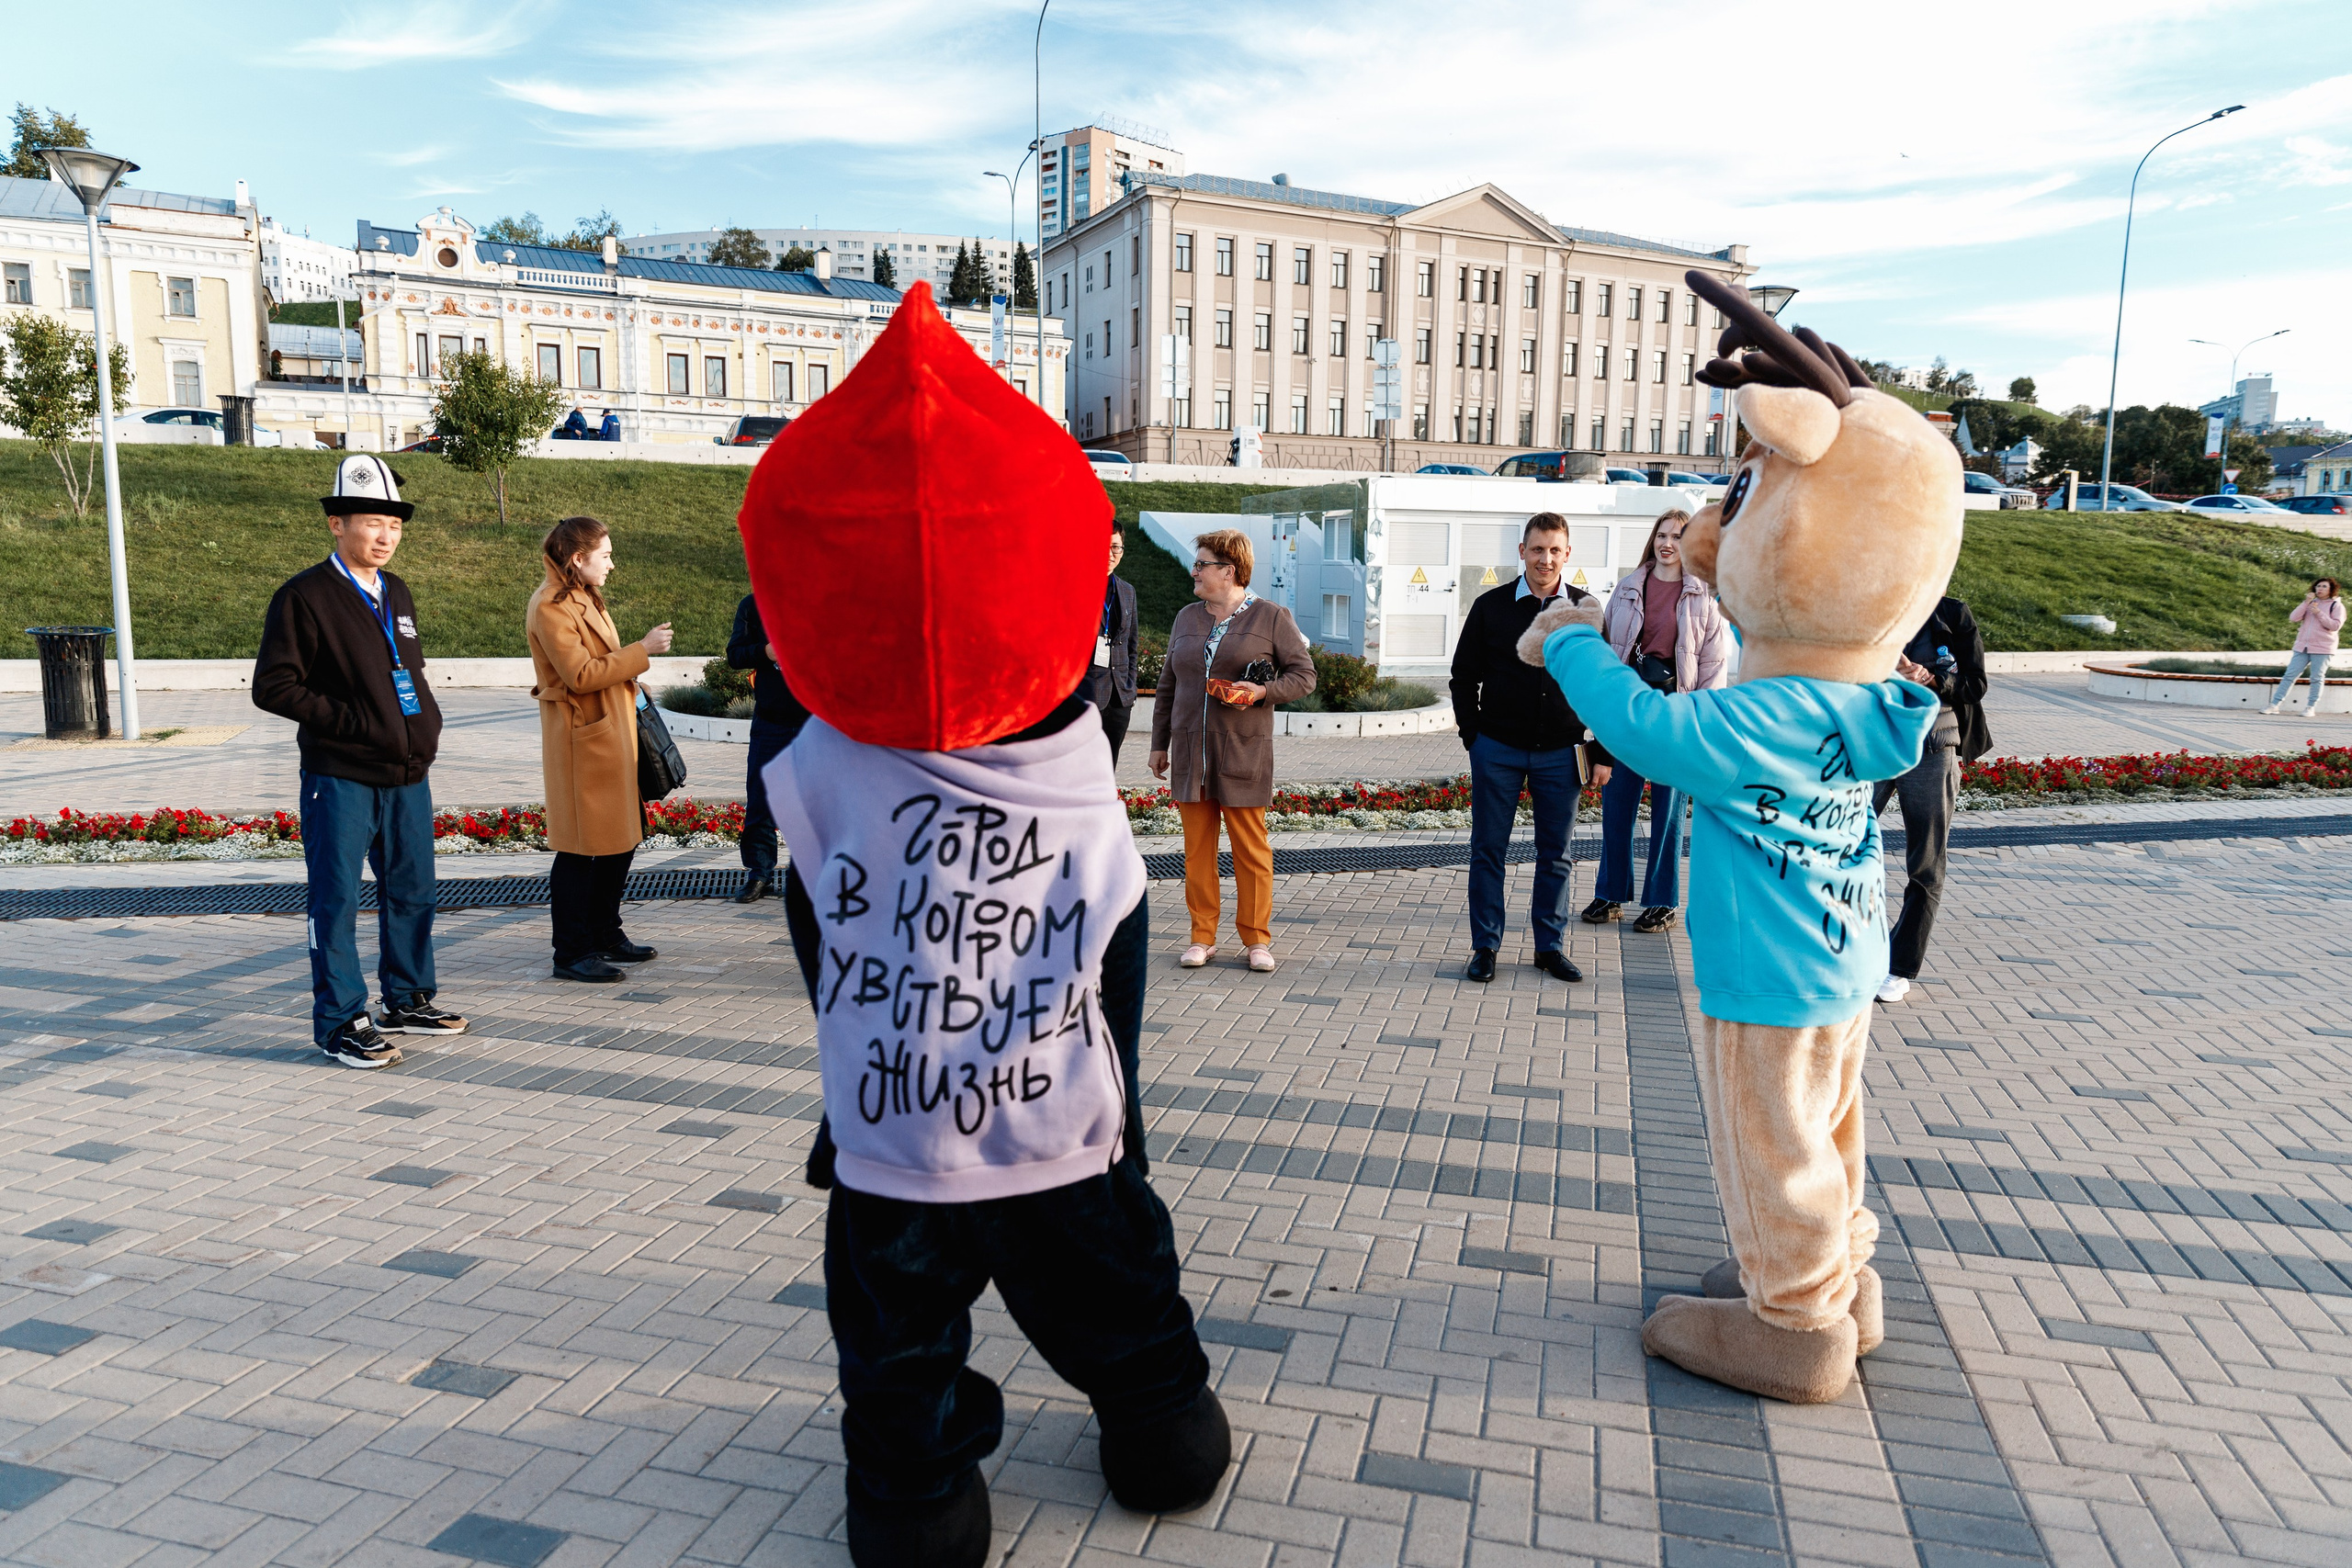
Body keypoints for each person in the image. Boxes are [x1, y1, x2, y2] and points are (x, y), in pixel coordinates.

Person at [741, 283, 1228, 1568]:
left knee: (894, 1326)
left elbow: (825, 956)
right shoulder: (1073, 777)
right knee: (1116, 1285)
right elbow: (1113, 968)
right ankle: (1162, 1427)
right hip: (1060, 1118)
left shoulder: (817, 773)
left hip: (894, 1129)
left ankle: (917, 1499)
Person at [254, 455, 469, 1068]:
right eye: (372, 522)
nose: (385, 536)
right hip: (340, 774)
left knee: (413, 889)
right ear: (336, 524)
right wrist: (353, 723)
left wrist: (423, 724)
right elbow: (274, 686)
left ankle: (406, 996)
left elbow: (408, 673)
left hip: (406, 773)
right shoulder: (304, 596)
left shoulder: (395, 590)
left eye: (394, 526)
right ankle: (341, 1019)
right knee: (338, 899)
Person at [1449, 512, 1609, 984]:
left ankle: (1549, 947)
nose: (1546, 558)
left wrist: (1603, 753)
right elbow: (1463, 679)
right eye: (1537, 549)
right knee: (1488, 850)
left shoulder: (1586, 610)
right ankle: (1485, 947)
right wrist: (1473, 739)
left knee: (1556, 854)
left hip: (1561, 753)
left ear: (1567, 554)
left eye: (1555, 550)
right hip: (1496, 749)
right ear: (1522, 552)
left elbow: (1603, 689)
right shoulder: (1491, 606)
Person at [1148, 529, 1317, 973]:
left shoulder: (1270, 616)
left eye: (1202, 564)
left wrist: (1261, 691)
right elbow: (1168, 685)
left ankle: (1257, 940)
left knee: (1250, 849)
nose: (1195, 571)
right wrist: (1158, 744)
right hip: (1190, 753)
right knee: (1196, 850)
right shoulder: (1186, 617)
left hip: (1243, 751)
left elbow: (1304, 676)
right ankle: (1202, 937)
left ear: (1230, 571)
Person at [526, 515, 675, 982]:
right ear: (578, 558)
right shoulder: (551, 606)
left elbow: (599, 667)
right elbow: (580, 675)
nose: (612, 563)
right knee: (578, 849)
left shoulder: (581, 596)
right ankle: (570, 952)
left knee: (619, 841)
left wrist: (632, 674)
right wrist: (642, 649)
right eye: (605, 555)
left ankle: (606, 933)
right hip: (584, 743)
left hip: (610, 735)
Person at [1585, 498, 1735, 935]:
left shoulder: (1702, 594)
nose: (1668, 543)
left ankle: (1662, 901)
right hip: (1631, 710)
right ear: (1653, 539)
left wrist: (1701, 722)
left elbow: (1713, 665)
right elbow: (1610, 649)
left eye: (1678, 536)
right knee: (1617, 805)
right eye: (1663, 535)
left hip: (1676, 714)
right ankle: (1610, 893)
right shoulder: (1629, 586)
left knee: (1668, 811)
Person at [1872, 594, 1990, 1004]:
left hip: (1933, 744)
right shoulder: (1870, 603)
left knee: (1925, 862)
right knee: (1838, 845)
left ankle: (1898, 966)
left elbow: (1975, 685)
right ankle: (1846, 953)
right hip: (1874, 741)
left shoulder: (1952, 614)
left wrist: (1931, 679)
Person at [727, 591, 811, 902]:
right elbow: (734, 654)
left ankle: (807, 877)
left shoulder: (826, 601)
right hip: (770, 723)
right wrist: (766, 652)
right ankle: (759, 874)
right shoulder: (752, 605)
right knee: (761, 801)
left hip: (815, 724)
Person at [1086, 525, 1141, 761]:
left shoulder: (1127, 591)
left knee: (1109, 769)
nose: (1109, 554)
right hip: (1085, 697)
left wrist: (1130, 685)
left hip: (1119, 698)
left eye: (1115, 547)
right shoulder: (1074, 587)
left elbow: (1132, 644)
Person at [2265, 578, 2342, 716]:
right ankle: (2274, 705)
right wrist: (2306, 603)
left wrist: (2319, 613)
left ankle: (2310, 707)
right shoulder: (2309, 603)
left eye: (2324, 586)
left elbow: (2335, 626)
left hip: (2323, 647)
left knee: (2317, 678)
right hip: (2303, 646)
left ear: (2331, 589)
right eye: (2318, 586)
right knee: (2289, 675)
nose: (2320, 589)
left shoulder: (2336, 606)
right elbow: (2293, 618)